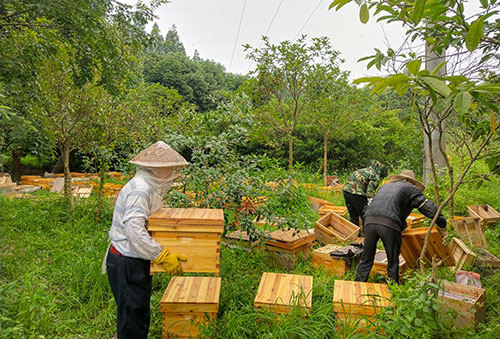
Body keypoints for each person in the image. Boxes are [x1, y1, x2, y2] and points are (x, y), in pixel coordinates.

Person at [105, 141, 188, 339]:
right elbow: (134, 230)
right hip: (127, 261)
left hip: (134, 260)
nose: (171, 173)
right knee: (131, 318)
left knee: (138, 311)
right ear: (156, 169)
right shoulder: (140, 190)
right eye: (168, 169)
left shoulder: (147, 187)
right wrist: (161, 255)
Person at [355, 170, 448, 284]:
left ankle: (357, 286)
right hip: (389, 224)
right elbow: (428, 208)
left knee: (366, 258)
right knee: (393, 262)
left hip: (369, 221)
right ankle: (393, 290)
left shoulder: (385, 186)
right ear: (412, 182)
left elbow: (373, 204)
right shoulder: (412, 189)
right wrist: (443, 224)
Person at [343, 160, 388, 227]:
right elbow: (370, 192)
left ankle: (355, 235)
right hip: (357, 194)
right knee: (365, 216)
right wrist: (371, 203)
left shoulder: (365, 170)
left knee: (353, 215)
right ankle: (367, 235)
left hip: (346, 191)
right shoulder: (375, 176)